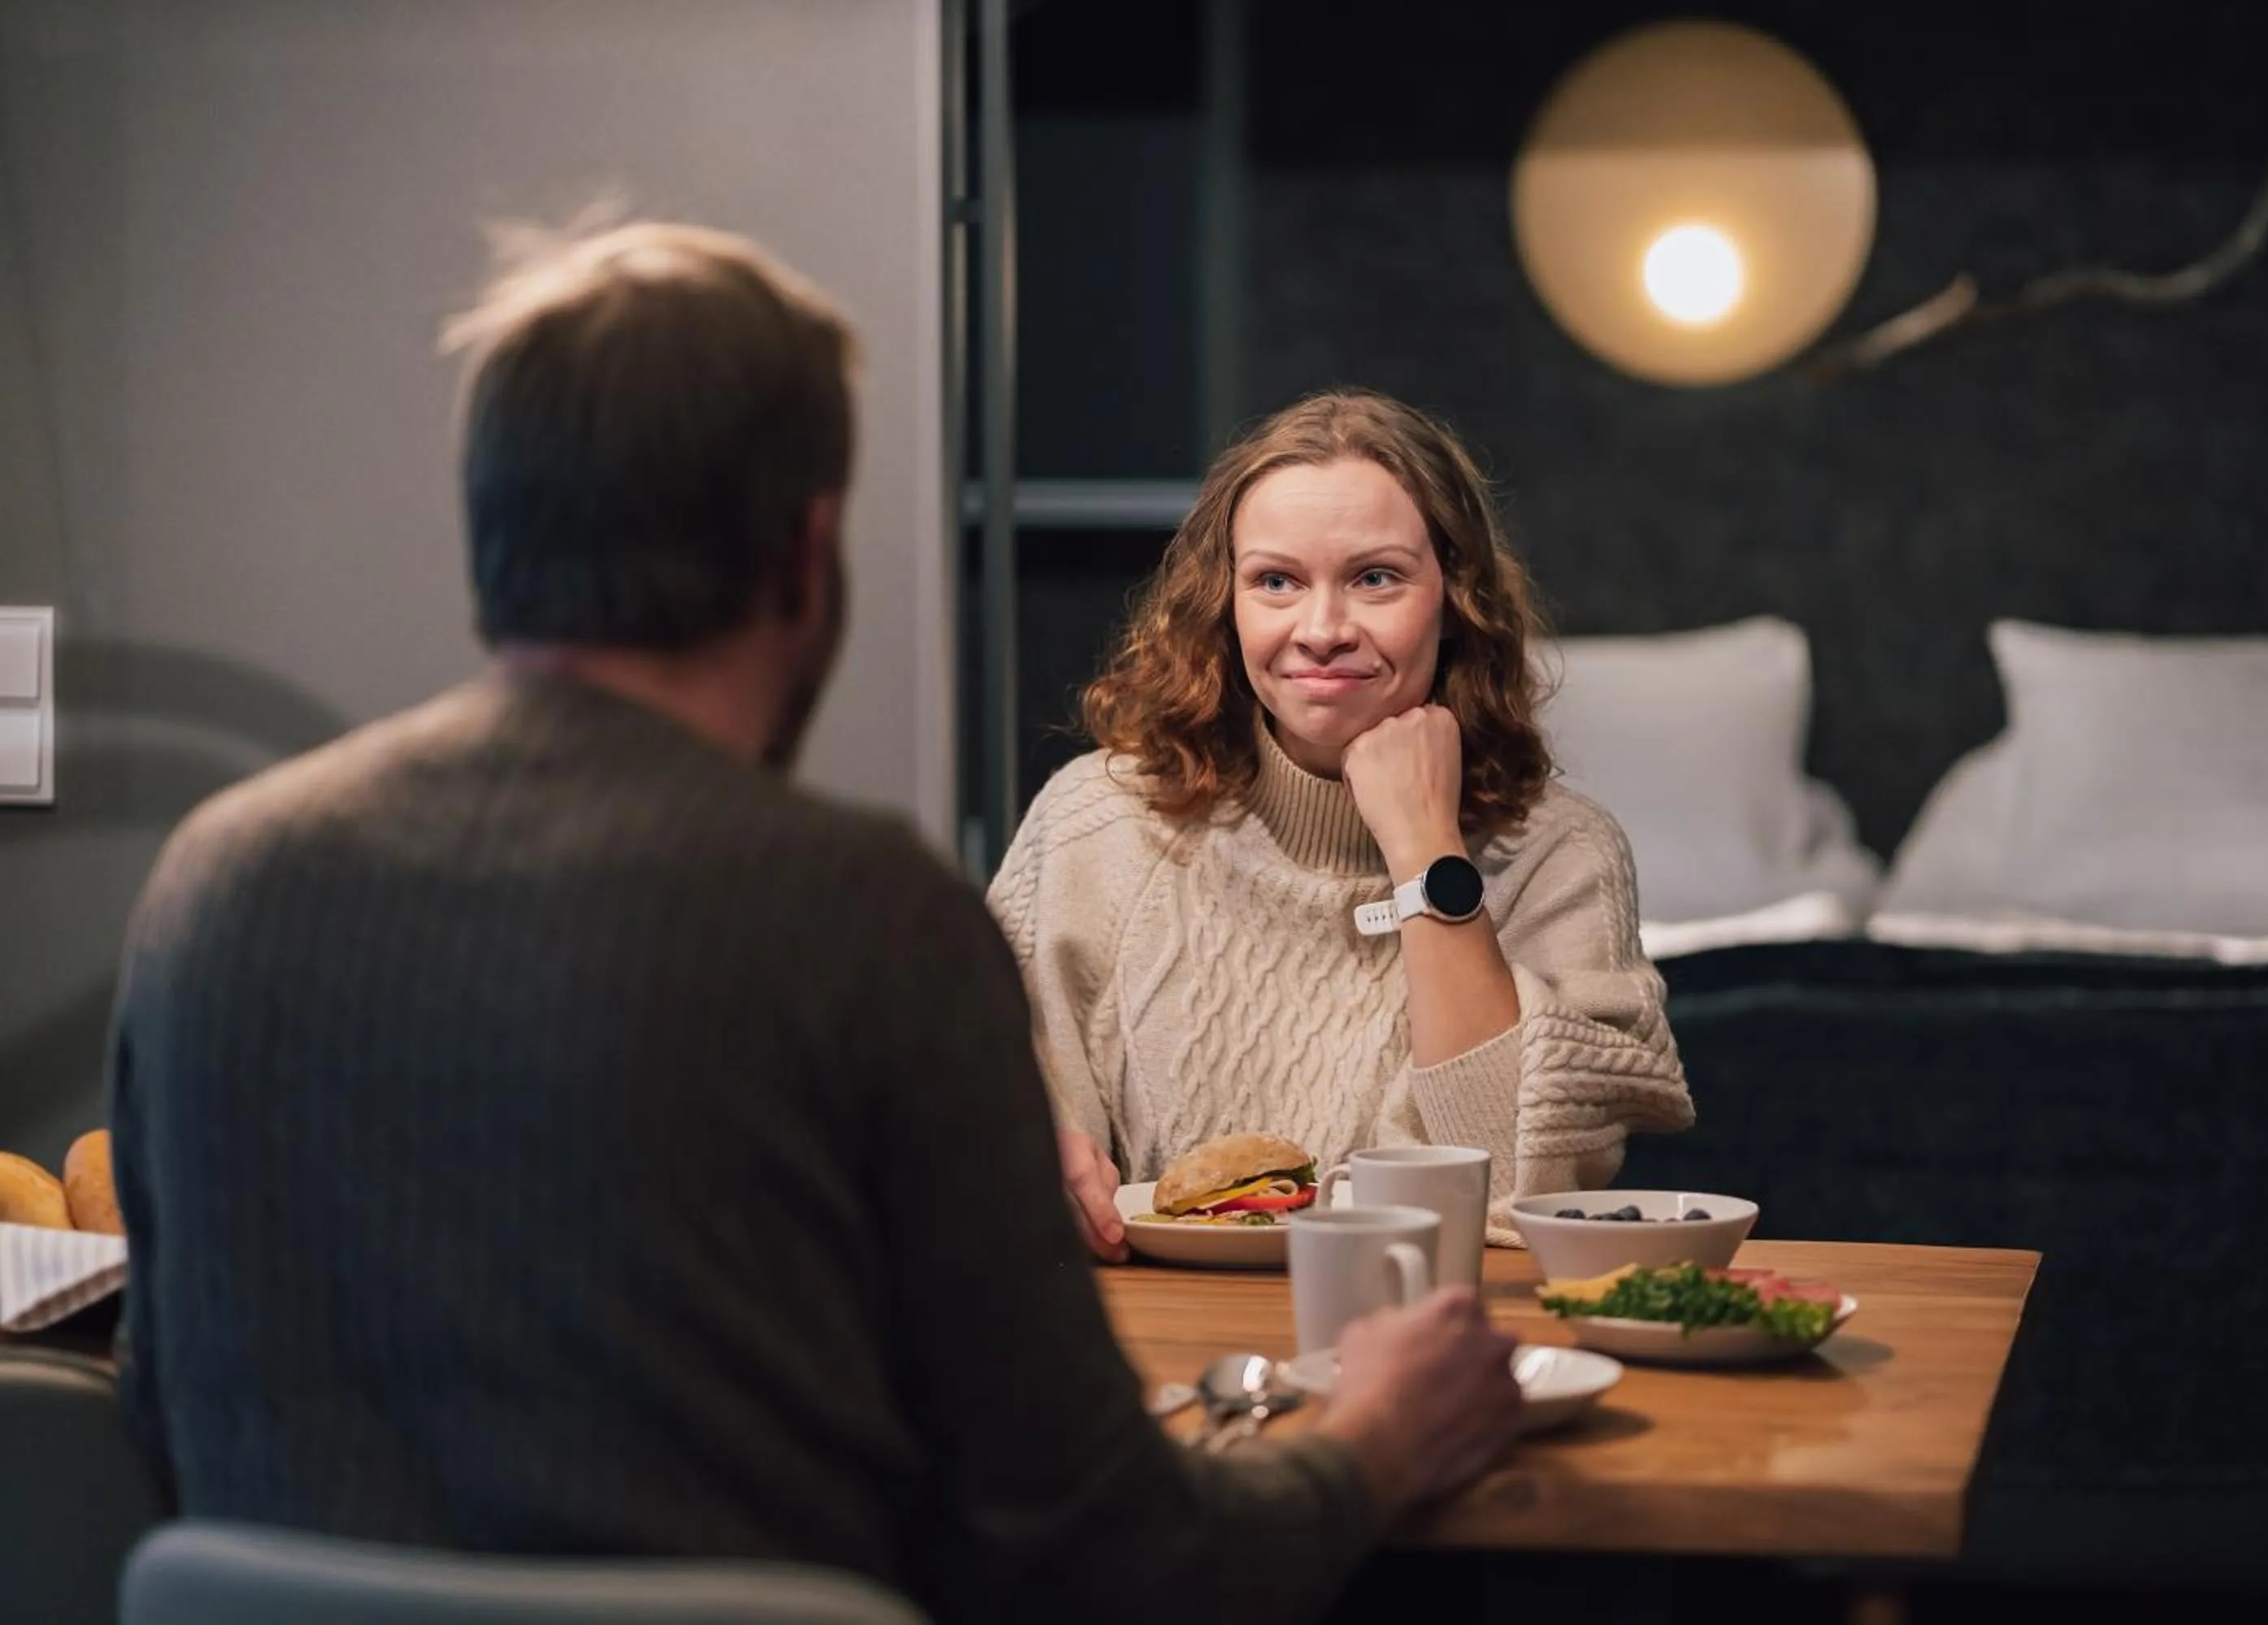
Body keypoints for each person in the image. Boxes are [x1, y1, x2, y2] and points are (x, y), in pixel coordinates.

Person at [106, 223, 1522, 1623]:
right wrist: (1377, 1442)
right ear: (806, 560)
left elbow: (164, 1423)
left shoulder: (214, 883)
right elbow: (1115, 1557)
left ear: (491, 537)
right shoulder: (869, 923)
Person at [987, 390, 1694, 1263]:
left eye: (1376, 578)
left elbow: (1520, 1194)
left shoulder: (1560, 854)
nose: (1320, 630)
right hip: (1157, 1336)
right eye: (1276, 581)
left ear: (1457, 597)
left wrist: (1427, 849)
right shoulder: (1097, 822)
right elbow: (969, 1097)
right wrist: (1020, 1150)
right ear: (1225, 602)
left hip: (1444, 1338)